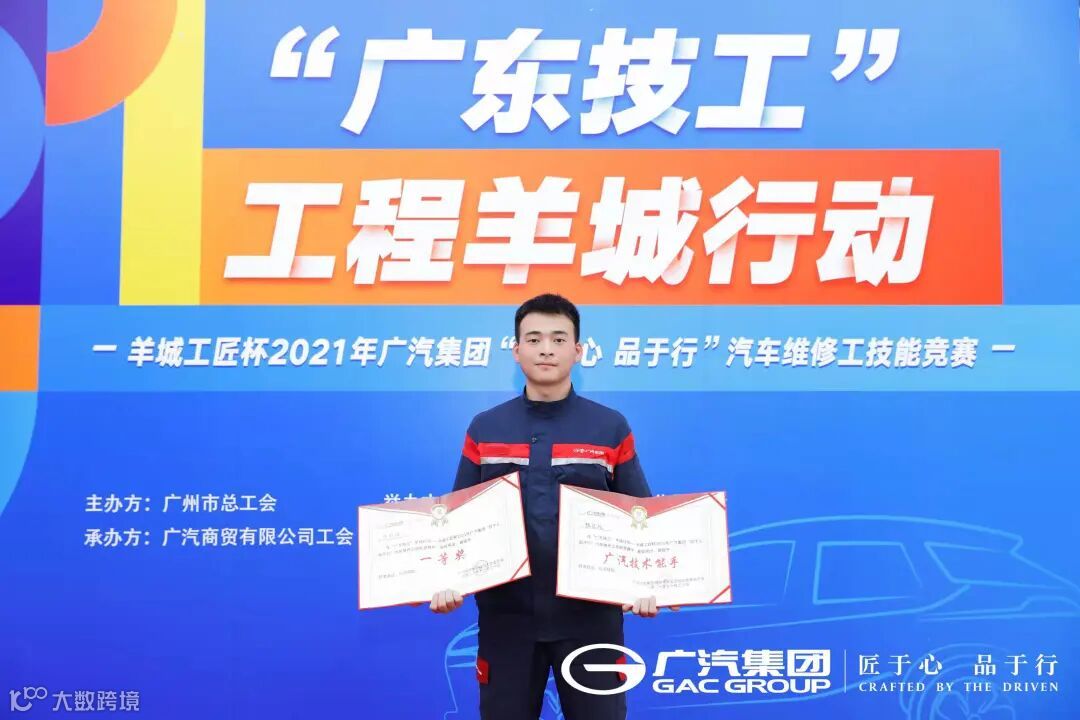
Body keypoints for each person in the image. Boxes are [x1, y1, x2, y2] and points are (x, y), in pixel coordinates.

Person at [428, 293, 672, 720]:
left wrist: (653, 584)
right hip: (507, 620)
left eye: (559, 339)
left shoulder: (609, 427)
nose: (546, 349)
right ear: (515, 350)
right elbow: (456, 521)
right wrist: (445, 581)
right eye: (534, 339)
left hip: (592, 619)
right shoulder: (485, 428)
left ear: (578, 351)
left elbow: (641, 518)